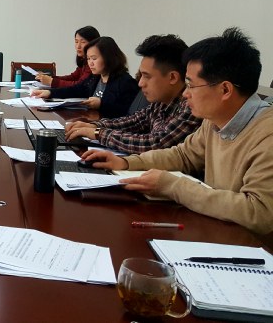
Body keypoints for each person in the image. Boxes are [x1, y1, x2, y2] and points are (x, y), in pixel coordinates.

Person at [81, 28, 273, 235]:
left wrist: (173, 186)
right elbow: (183, 155)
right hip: (217, 230)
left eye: (191, 85)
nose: (185, 94)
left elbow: (259, 212)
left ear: (225, 90)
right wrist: (127, 163)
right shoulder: (214, 120)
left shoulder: (266, 133)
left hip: (250, 247)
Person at [65, 35, 202, 154]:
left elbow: (155, 143)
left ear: (172, 77)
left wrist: (98, 133)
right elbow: (134, 121)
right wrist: (95, 125)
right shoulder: (160, 103)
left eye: (147, 76)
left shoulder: (191, 107)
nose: (140, 83)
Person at [31, 36, 139, 118]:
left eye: (94, 58)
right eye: (88, 59)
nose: (90, 63)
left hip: (108, 130)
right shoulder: (95, 77)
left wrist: (101, 104)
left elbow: (129, 113)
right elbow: (76, 90)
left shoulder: (126, 82)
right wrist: (50, 93)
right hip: (91, 122)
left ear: (109, 58)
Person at [35, 26, 100, 87]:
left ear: (93, 43)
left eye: (83, 42)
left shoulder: (93, 64)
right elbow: (73, 77)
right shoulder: (83, 61)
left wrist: (52, 81)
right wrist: (50, 78)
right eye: (76, 42)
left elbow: (80, 85)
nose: (78, 46)